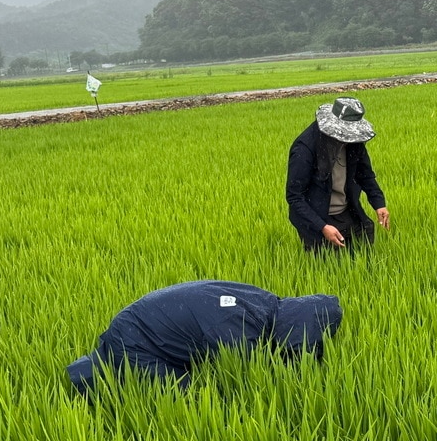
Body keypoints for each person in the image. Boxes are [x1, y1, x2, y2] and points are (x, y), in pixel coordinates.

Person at [66, 280, 342, 393]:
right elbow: (246, 379)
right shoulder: (241, 331)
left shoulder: (265, 303)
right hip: (135, 340)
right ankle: (81, 386)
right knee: (185, 397)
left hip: (141, 321)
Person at [286, 97, 390, 252]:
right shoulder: (305, 148)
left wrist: (379, 203)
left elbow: (365, 174)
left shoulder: (353, 142)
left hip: (346, 211)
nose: (349, 138)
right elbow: (294, 196)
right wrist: (322, 226)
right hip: (315, 217)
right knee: (328, 262)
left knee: (364, 249)